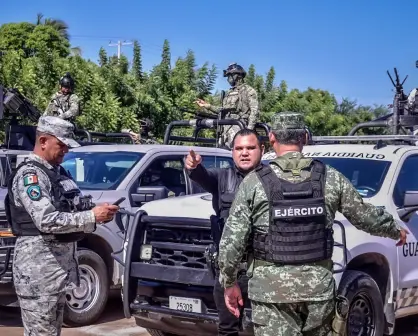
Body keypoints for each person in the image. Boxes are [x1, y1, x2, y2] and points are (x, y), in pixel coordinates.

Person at [217, 112, 409, 336]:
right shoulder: (330, 178)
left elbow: (231, 242)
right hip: (318, 291)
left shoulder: (253, 183)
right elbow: (363, 215)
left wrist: (229, 282)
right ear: (304, 138)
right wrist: (394, 229)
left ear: (271, 139)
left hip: (271, 294)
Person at [5, 116, 120, 335]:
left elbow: (71, 207)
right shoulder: (31, 175)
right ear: (43, 141)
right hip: (38, 275)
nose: (65, 150)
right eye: (61, 145)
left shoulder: (58, 173)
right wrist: (91, 217)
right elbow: (46, 220)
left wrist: (97, 211)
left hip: (58, 274)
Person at [184, 128, 264, 336]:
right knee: (228, 329)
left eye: (250, 148)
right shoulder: (222, 178)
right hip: (230, 272)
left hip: (263, 270)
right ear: (232, 152)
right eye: (239, 148)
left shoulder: (271, 180)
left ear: (262, 150)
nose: (244, 152)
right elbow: (202, 176)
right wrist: (194, 166)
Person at [195, 63, 260, 149]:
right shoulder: (228, 93)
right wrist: (207, 105)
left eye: (230, 75)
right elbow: (222, 110)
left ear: (237, 76)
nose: (228, 79)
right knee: (222, 155)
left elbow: (254, 112)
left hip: (240, 128)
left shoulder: (249, 91)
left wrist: (248, 131)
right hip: (225, 130)